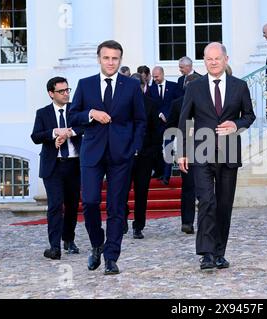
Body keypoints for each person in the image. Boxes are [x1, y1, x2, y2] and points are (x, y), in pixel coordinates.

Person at [69, 40, 146, 275]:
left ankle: (111, 257)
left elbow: (140, 120)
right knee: (90, 201)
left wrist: (134, 147)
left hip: (121, 155)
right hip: (92, 152)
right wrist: (91, 113)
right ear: (99, 59)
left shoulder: (131, 86)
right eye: (106, 58)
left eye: (115, 58)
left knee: (116, 207)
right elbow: (73, 117)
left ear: (120, 60)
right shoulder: (85, 85)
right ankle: (97, 244)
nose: (111, 62)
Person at [178, 42, 256, 270]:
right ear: (204, 60)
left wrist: (236, 124)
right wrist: (182, 151)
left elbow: (249, 116)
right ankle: (206, 253)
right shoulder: (195, 87)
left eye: (217, 58)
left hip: (229, 152)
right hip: (201, 153)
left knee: (224, 204)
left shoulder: (239, 86)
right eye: (209, 59)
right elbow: (184, 120)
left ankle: (219, 252)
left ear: (226, 59)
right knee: (206, 202)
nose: (213, 62)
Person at [31, 77, 84, 260]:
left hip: (74, 164)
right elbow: (36, 136)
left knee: (71, 204)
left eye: (67, 90)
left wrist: (69, 132)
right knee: (55, 205)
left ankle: (68, 239)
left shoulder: (75, 110)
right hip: (53, 166)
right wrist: (54, 132)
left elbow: (84, 127)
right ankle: (54, 247)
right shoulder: (43, 113)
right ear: (51, 94)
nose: (66, 93)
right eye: (61, 91)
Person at [124, 73, 162, 239]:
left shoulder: (150, 104)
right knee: (121, 191)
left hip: (144, 156)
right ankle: (122, 218)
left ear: (142, 86)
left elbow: (156, 132)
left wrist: (151, 153)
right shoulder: (120, 104)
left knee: (141, 192)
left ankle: (138, 226)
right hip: (123, 156)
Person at [167, 73, 201, 234]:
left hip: (206, 149)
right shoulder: (177, 104)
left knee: (204, 188)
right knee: (188, 187)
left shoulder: (207, 103)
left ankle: (205, 220)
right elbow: (170, 126)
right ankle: (187, 222)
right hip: (185, 150)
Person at [149, 66, 181, 185]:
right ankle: (160, 171)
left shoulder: (173, 86)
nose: (154, 79)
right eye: (153, 76)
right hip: (158, 124)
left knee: (168, 149)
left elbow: (179, 102)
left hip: (171, 123)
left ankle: (166, 176)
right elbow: (150, 105)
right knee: (157, 149)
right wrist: (160, 114)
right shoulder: (151, 89)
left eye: (156, 76)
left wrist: (168, 114)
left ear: (162, 74)